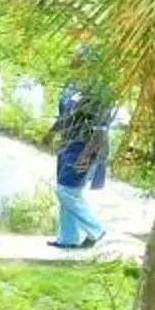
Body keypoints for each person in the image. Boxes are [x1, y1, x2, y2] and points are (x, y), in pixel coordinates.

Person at [49, 81, 111, 250]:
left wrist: (87, 154)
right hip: (67, 144)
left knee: (66, 191)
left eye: (80, 56)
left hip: (83, 146)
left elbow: (100, 128)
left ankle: (96, 229)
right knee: (69, 191)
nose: (75, 58)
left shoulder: (99, 90)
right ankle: (68, 238)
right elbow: (66, 117)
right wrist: (50, 133)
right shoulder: (71, 85)